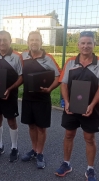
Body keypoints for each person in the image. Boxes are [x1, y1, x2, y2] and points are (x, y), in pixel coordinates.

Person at [55, 31, 99, 181]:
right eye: (83, 43)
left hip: (90, 108)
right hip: (71, 106)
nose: (86, 46)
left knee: (89, 138)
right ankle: (66, 164)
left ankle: (90, 169)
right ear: (78, 45)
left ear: (94, 44)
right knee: (68, 135)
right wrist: (66, 101)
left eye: (89, 43)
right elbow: (64, 84)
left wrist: (92, 105)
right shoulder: (70, 62)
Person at [20, 31, 60, 169]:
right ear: (28, 42)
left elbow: (58, 77)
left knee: (41, 127)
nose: (34, 42)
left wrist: (49, 89)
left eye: (37, 40)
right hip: (27, 97)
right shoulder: (22, 56)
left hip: (42, 98)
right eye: (31, 40)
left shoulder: (48, 58)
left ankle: (40, 153)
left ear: (41, 42)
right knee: (31, 125)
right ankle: (34, 149)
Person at [0, 30, 23, 162]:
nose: (2, 42)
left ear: (10, 41)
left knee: (11, 121)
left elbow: (21, 77)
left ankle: (14, 147)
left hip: (10, 94)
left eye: (4, 40)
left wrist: (10, 89)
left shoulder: (17, 57)